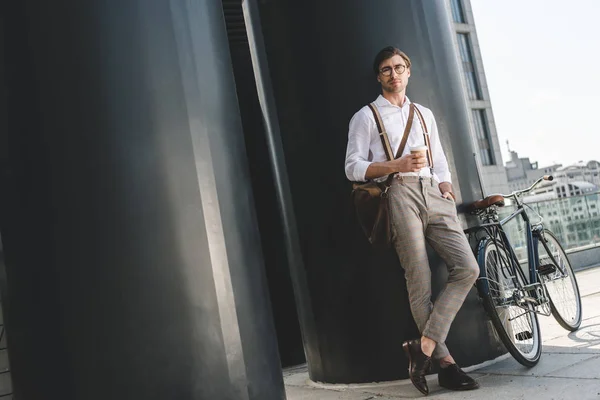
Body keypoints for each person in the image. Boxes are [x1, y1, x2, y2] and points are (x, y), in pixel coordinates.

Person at [344, 46, 480, 395]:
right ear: (379, 76)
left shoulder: (424, 114)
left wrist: (446, 186)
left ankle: (424, 347)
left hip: (433, 195)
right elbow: (352, 167)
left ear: (409, 71)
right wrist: (395, 166)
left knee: (468, 268)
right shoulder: (366, 116)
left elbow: (439, 159)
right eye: (387, 69)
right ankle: (447, 365)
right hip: (398, 194)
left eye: (400, 67)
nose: (394, 73)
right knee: (418, 279)